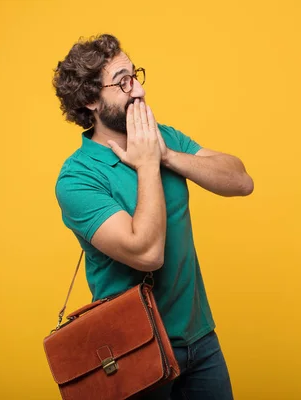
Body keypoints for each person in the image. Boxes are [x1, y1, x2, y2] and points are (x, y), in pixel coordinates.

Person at [52, 33, 254, 399]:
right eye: (122, 82)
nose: (139, 92)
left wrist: (168, 156)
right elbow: (147, 253)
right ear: (89, 99)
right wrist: (147, 165)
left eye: (136, 76)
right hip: (134, 351)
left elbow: (241, 181)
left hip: (201, 342)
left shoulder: (164, 138)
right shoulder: (78, 177)